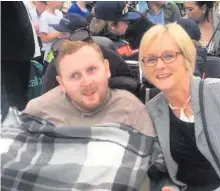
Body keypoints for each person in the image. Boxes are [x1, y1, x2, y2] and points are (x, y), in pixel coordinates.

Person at [1, 40, 177, 191]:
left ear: (106, 69)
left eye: (92, 70)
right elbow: (14, 157)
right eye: (75, 76)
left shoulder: (131, 109)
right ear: (61, 83)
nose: (87, 82)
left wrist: (168, 186)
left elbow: (159, 167)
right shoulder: (39, 109)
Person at [139, 23, 220, 191]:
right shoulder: (152, 111)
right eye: (151, 59)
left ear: (187, 58)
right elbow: (163, 171)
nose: (159, 65)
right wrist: (170, 187)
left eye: (169, 56)